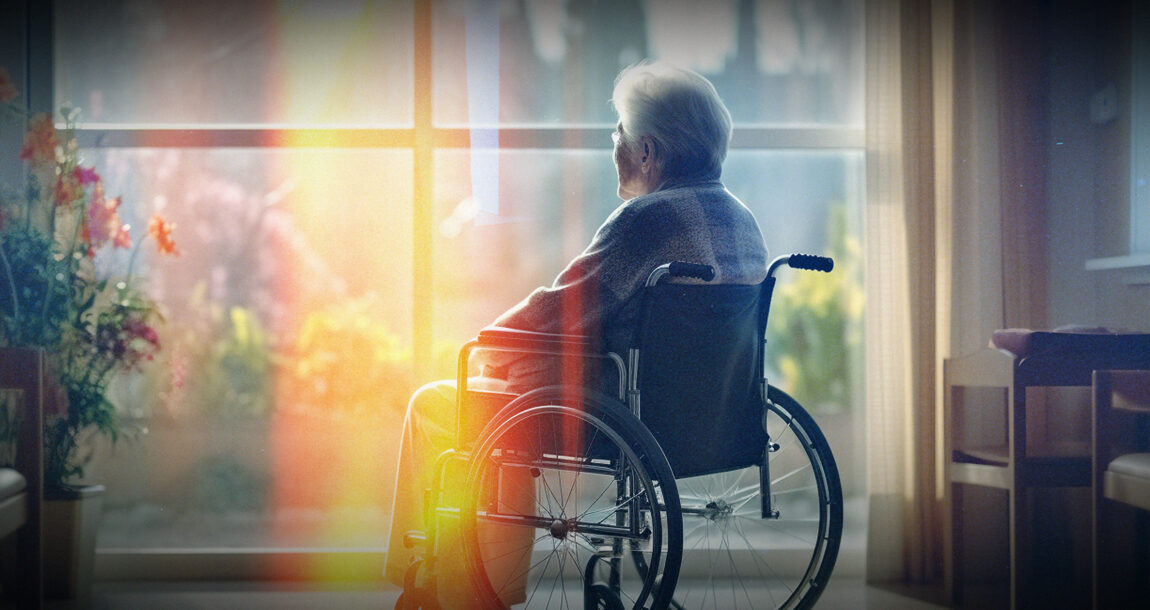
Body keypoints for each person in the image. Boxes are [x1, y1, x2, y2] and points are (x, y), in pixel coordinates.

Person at [384, 59, 768, 605]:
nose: (613, 144)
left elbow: (565, 307)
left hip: (618, 416)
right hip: (709, 417)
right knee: (508, 410)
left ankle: (445, 584)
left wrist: (494, 343)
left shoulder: (648, 219)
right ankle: (449, 579)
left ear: (646, 151)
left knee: (441, 407)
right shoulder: (743, 220)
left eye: (619, 133)